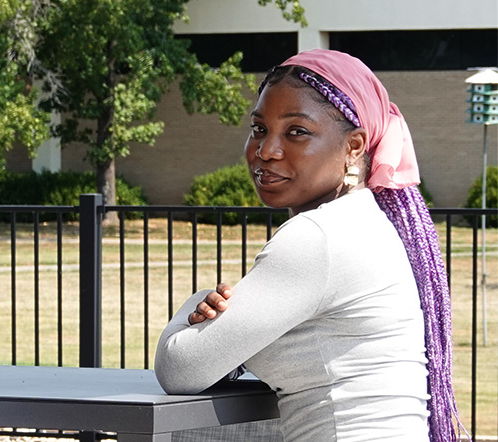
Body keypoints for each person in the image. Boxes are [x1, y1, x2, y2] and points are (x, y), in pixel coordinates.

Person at [155, 50, 458, 441]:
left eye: (296, 132)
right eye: (259, 129)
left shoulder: (318, 237)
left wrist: (197, 301)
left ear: (353, 147)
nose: (266, 151)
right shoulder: (367, 223)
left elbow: (181, 368)